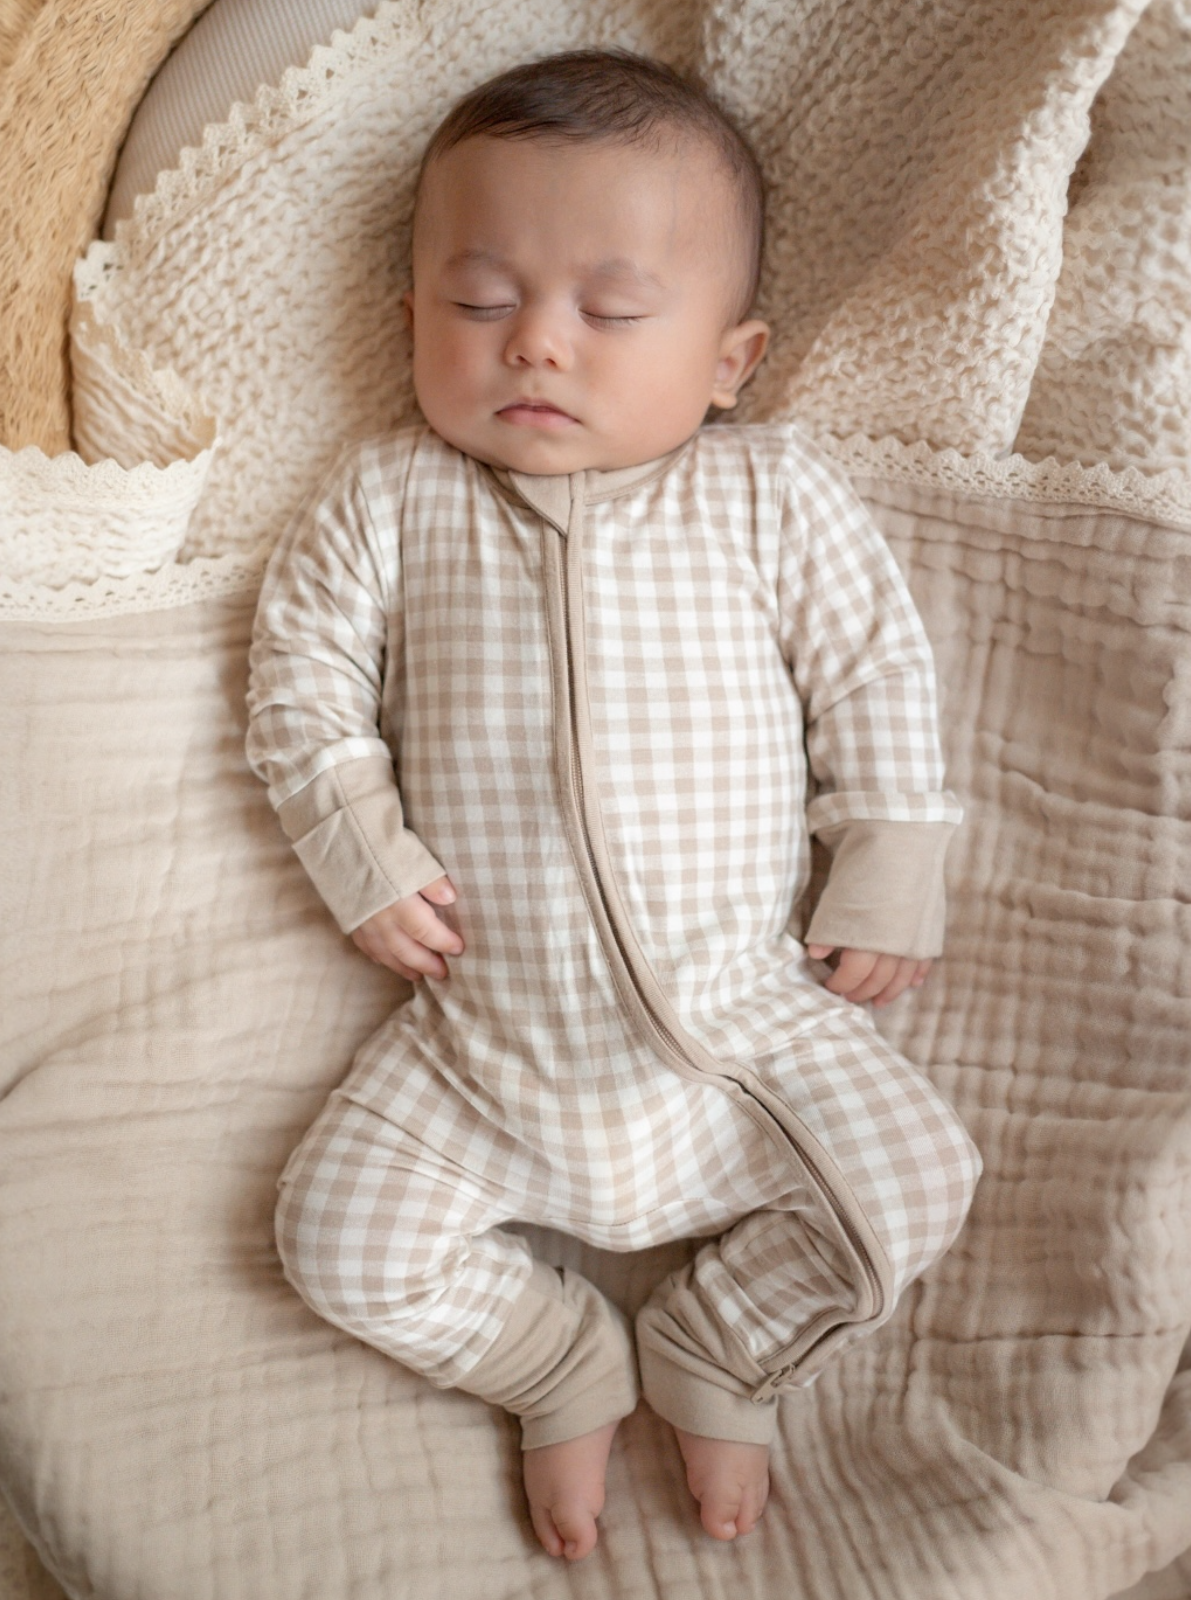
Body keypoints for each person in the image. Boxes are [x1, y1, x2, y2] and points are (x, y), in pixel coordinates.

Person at [246, 48, 981, 1563]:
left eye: (612, 309)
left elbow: (873, 672)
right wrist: (357, 847)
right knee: (331, 1243)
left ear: (727, 357)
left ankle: (720, 1346)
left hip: (743, 1020)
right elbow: (298, 679)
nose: (536, 347)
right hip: (483, 1039)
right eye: (477, 303)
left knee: (920, 1184)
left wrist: (888, 863)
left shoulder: (764, 493)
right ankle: (553, 1356)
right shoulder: (391, 497)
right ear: (407, 326)